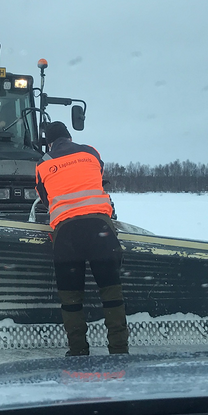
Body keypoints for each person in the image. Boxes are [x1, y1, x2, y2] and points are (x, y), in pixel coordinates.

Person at [35, 121, 128, 356]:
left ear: (49, 142)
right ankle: (119, 350)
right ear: (69, 136)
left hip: (67, 235)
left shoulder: (43, 163)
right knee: (112, 294)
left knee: (71, 299)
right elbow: (97, 177)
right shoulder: (90, 152)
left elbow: (46, 199)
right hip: (101, 230)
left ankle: (78, 352)